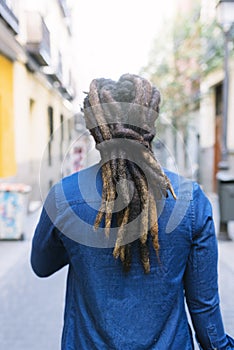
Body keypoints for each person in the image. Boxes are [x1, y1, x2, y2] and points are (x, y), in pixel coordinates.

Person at [31, 74, 234, 350]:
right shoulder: (191, 202)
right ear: (150, 124)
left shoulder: (65, 197)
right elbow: (205, 315)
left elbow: (41, 266)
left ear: (94, 130)